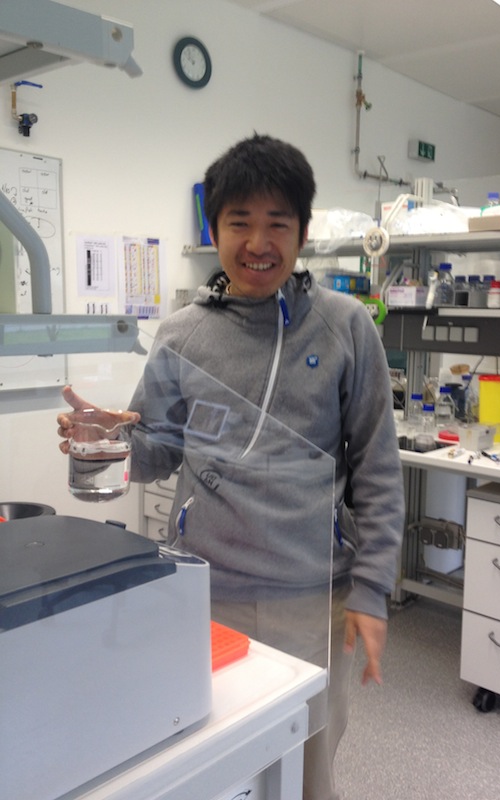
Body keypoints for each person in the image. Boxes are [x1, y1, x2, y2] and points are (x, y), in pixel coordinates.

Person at [58, 133, 404, 800]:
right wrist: (104, 441)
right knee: (215, 766)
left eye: (278, 222)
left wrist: (370, 590)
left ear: (303, 232)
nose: (258, 242)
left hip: (312, 595)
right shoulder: (182, 334)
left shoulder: (345, 327)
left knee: (306, 769)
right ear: (214, 230)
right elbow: (156, 450)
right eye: (239, 222)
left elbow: (379, 471)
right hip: (204, 588)